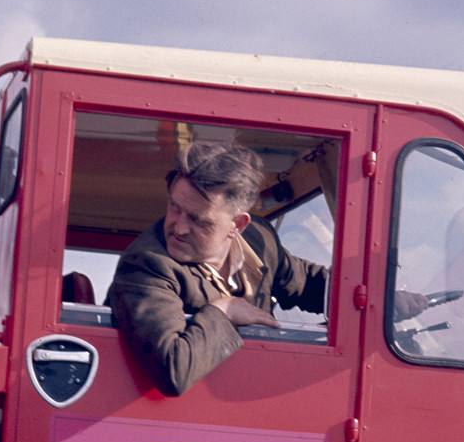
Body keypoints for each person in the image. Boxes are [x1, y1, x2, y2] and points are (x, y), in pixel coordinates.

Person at [106, 142, 331, 396]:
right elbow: (172, 370)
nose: (179, 228)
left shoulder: (260, 239)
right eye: (174, 207)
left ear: (238, 225)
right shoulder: (146, 265)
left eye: (199, 220)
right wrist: (224, 311)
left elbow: (314, 286)